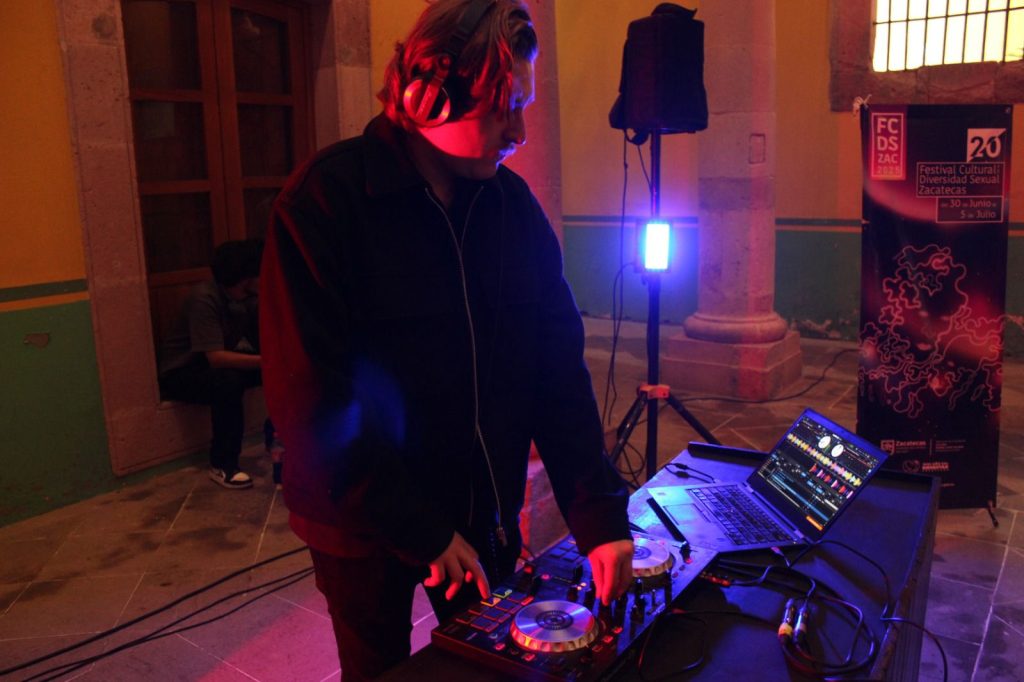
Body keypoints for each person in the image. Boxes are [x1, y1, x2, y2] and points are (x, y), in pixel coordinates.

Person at [258, 1, 634, 678]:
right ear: (424, 97)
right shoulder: (323, 203)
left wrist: (598, 515)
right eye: (503, 110)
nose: (520, 132)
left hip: (478, 505)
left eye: (522, 107)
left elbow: (556, 372)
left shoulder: (513, 209)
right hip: (361, 521)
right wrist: (420, 529)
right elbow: (310, 403)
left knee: (488, 667)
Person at [159, 238, 279, 489]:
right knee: (228, 382)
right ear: (246, 277)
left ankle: (281, 441)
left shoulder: (246, 298)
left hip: (217, 366)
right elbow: (215, 357)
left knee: (286, 372)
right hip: (184, 371)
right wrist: (269, 361)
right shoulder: (205, 299)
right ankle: (223, 463)